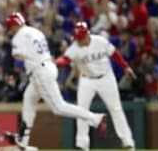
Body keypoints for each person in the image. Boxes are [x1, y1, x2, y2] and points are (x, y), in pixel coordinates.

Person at [3, 13, 106, 151]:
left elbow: (18, 55)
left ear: (14, 25)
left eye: (11, 27)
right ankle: (23, 140)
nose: (11, 30)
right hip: (47, 66)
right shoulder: (35, 31)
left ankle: (95, 118)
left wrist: (23, 56)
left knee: (59, 107)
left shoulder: (19, 36)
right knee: (29, 98)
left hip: (39, 71)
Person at [56, 22, 136, 150]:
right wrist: (57, 62)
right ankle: (82, 144)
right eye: (77, 37)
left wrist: (125, 67)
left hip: (106, 77)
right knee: (82, 110)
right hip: (87, 80)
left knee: (115, 108)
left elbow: (114, 53)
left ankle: (127, 141)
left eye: (80, 37)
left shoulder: (100, 41)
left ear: (87, 35)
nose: (78, 40)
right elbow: (65, 59)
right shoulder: (75, 47)